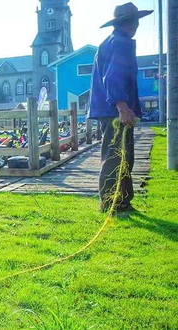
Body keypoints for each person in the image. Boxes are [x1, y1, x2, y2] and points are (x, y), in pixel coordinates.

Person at [88, 2, 153, 212]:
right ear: (132, 22)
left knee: (122, 155)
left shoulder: (110, 42)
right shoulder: (120, 43)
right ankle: (109, 203)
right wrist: (123, 107)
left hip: (109, 110)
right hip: (115, 110)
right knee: (117, 157)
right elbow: (113, 77)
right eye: (136, 21)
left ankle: (123, 202)